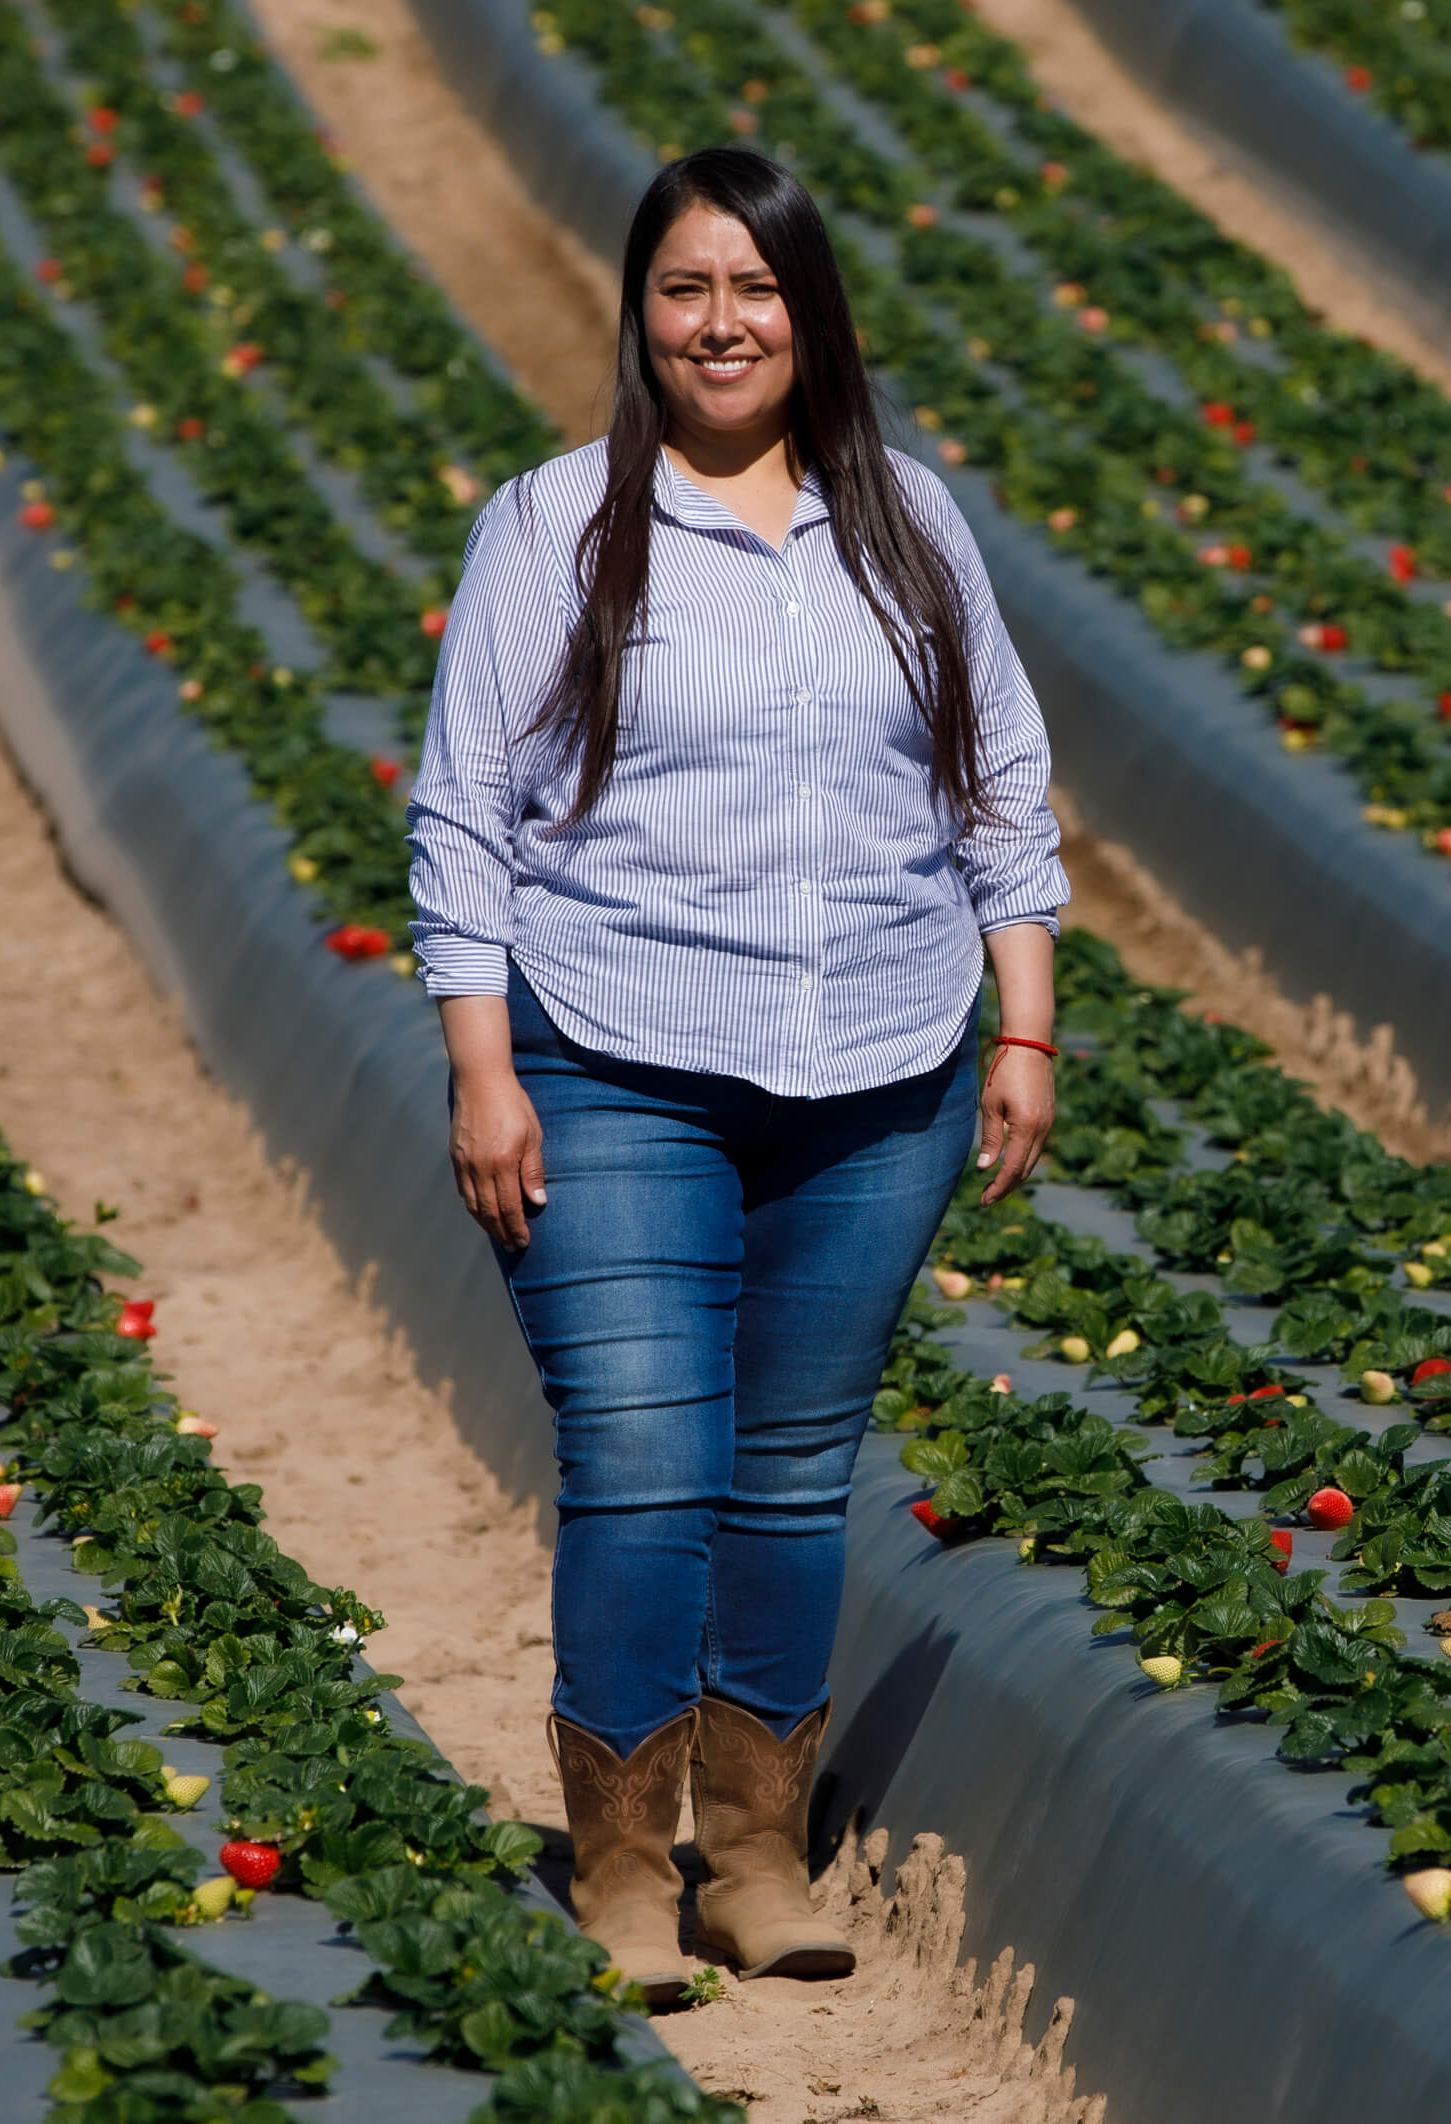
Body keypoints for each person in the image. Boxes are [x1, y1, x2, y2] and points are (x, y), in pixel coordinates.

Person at [405, 146, 1068, 2006]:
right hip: (610, 1058)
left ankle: (755, 1854)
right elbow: (465, 820)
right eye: (685, 291)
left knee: (785, 1469)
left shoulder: (906, 524)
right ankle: (624, 1863)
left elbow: (993, 784)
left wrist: (1020, 1025)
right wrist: (482, 1068)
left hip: (881, 1065)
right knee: (639, 1459)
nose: (720, 324)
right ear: (640, 316)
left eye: (753, 290)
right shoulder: (554, 528)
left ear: (809, 313)